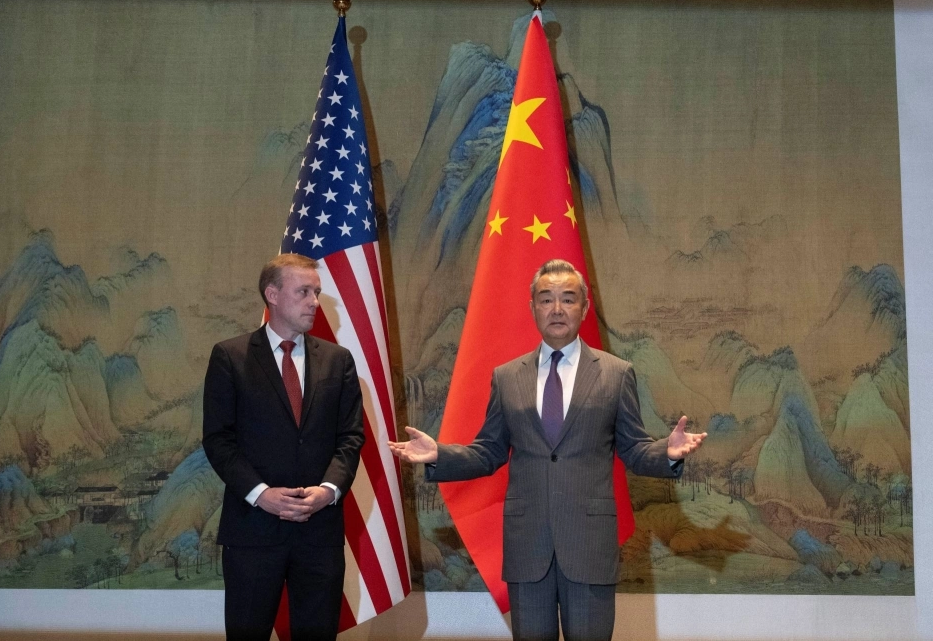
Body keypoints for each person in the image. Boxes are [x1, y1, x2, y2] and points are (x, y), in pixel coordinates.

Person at [389, 258, 705, 641]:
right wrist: (439, 454)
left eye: (568, 299)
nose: (557, 309)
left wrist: (667, 453)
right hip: (528, 548)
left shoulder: (615, 373)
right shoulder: (507, 377)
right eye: (546, 299)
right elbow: (488, 452)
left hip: (589, 545)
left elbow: (635, 450)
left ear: (584, 309)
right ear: (532, 308)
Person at [203, 253, 364, 641]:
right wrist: (261, 495)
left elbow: (351, 438)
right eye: (304, 291)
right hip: (252, 532)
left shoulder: (338, 361)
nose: (314, 301)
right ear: (272, 294)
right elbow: (218, 439)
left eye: (317, 292)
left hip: (319, 533)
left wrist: (328, 491)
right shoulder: (231, 356)